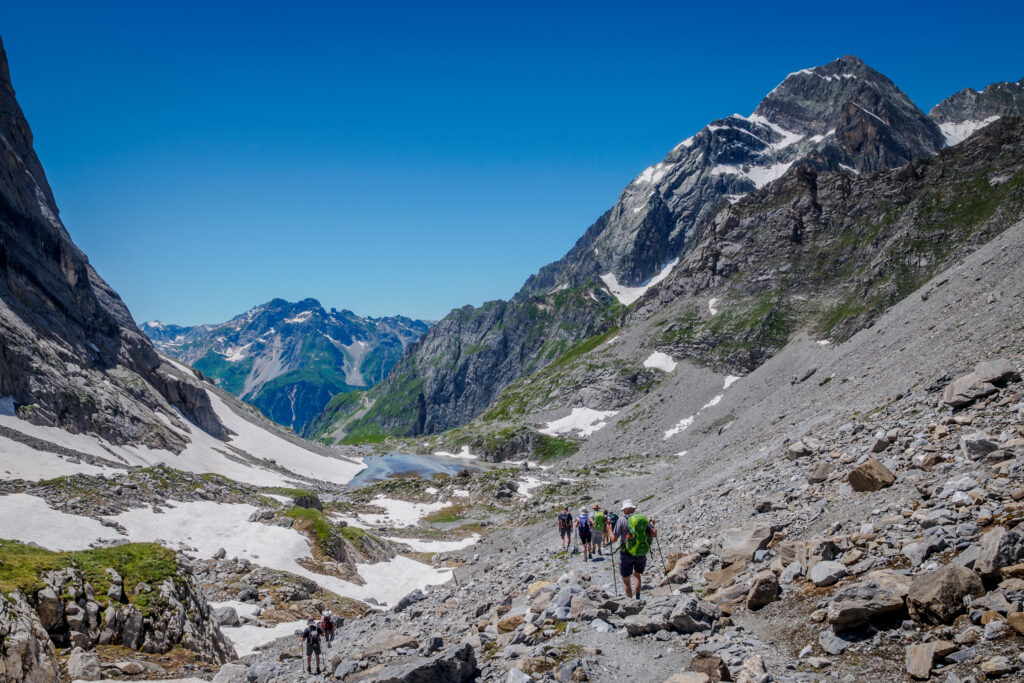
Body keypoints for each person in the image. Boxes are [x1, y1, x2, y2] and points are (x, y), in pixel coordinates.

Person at [611, 499, 657, 599]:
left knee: (626, 579)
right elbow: (654, 534)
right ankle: (638, 598)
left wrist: (609, 530)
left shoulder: (621, 520)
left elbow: (614, 539)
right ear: (633, 509)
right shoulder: (643, 519)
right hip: (641, 551)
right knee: (637, 574)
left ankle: (630, 602)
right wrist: (652, 524)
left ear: (624, 510)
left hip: (626, 552)